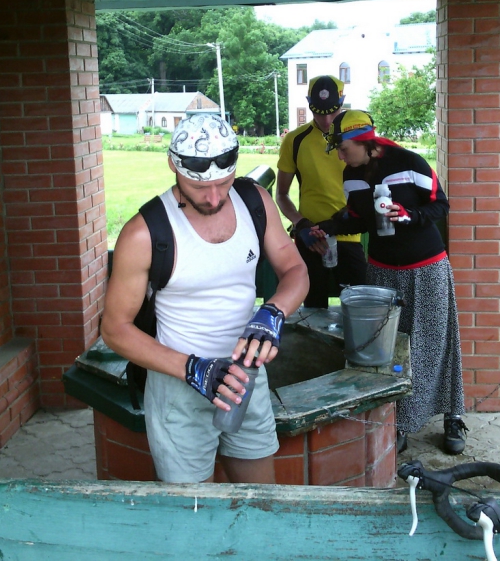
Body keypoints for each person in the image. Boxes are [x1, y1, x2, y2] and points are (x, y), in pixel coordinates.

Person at [102, 113, 309, 484]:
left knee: (260, 499)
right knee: (194, 508)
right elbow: (115, 329)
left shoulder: (254, 201)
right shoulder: (144, 233)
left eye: (224, 183)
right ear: (173, 166)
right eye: (199, 187)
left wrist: (272, 313)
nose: (214, 198)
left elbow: (295, 269)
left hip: (245, 374)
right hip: (177, 383)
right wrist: (192, 369)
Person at [312, 110, 467, 456]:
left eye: (343, 148)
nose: (340, 156)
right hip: (382, 271)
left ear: (364, 141)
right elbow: (358, 218)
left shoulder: (409, 162)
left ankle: (452, 416)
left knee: (434, 342)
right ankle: (398, 422)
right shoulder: (351, 175)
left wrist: (409, 216)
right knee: (389, 348)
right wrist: (329, 226)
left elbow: (441, 205)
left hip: (426, 266)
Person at [276, 75, 366, 309]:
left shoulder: (358, 139)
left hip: (349, 234)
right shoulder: (295, 140)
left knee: (358, 310)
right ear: (309, 104)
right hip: (311, 238)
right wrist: (301, 224)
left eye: (332, 112)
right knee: (312, 312)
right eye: (317, 112)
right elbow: (282, 194)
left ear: (342, 103)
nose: (326, 120)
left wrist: (345, 219)